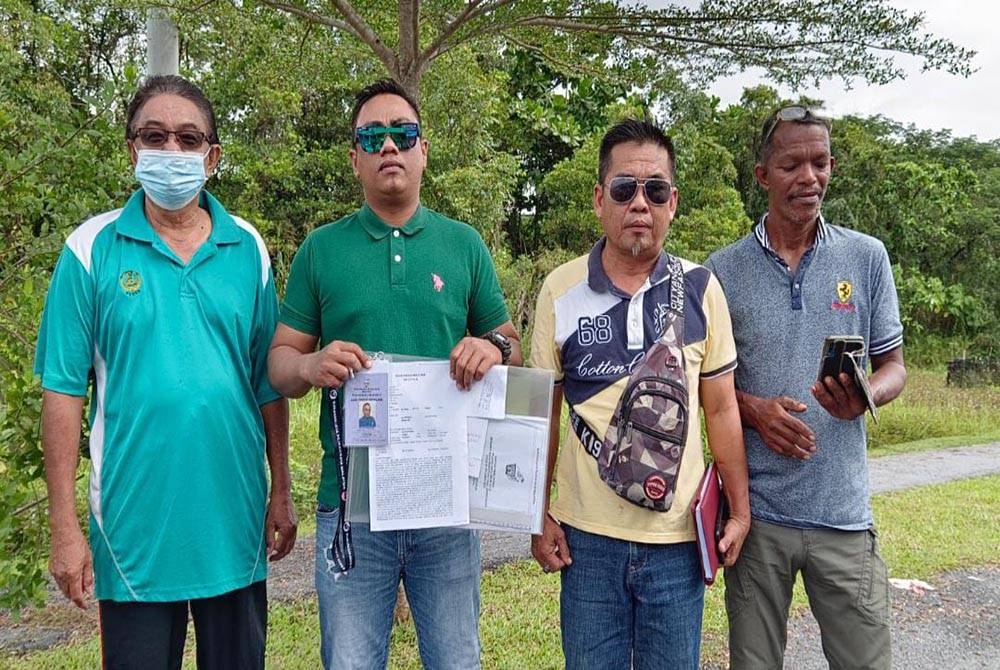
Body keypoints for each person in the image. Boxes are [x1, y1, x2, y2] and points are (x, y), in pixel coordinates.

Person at [34, 75, 297, 668]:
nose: (171, 152)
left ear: (213, 157)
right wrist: (65, 528)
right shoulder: (89, 248)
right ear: (132, 149)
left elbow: (268, 382)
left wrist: (281, 491)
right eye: (154, 137)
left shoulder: (248, 248)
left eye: (188, 138)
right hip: (134, 528)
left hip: (233, 522)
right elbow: (63, 392)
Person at [267, 79, 522, 670]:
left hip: (448, 506)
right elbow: (279, 364)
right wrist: (308, 363)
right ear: (354, 156)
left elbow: (510, 341)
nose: (389, 147)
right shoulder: (321, 250)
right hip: (353, 509)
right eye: (372, 137)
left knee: (457, 660)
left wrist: (490, 347)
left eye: (402, 134)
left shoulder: (463, 245)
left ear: (422, 151)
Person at [529, 118, 751, 669]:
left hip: (677, 541)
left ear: (672, 202)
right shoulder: (560, 289)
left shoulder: (702, 288)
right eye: (625, 189)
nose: (639, 205)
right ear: (599, 198)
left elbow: (721, 408)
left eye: (654, 191)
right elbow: (541, 415)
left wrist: (740, 510)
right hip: (587, 542)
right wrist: (536, 514)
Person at [705, 105, 907, 669]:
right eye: (792, 164)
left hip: (843, 514)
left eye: (819, 163)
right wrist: (755, 410)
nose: (808, 177)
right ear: (762, 173)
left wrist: (866, 394)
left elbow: (895, 365)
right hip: (759, 516)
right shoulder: (721, 271)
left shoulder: (866, 257)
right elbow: (707, 386)